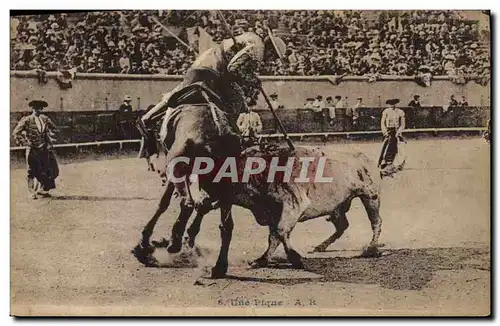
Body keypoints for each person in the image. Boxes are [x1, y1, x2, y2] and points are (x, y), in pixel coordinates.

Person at [137, 32, 273, 160]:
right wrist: (251, 79)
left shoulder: (250, 38)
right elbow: (234, 68)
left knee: (178, 92)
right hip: (215, 71)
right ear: (270, 50)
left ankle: (149, 118)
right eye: (273, 56)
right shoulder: (257, 47)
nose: (271, 60)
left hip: (200, 66)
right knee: (239, 101)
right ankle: (236, 139)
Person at [12, 100, 59, 199]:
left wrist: (49, 136)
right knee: (31, 171)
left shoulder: (45, 119)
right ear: (32, 108)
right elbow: (16, 132)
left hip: (43, 148)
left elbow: (54, 129)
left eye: (40, 108)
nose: (38, 110)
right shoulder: (27, 120)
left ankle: (41, 190)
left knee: (44, 169)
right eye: (36, 108)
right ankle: (31, 191)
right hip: (32, 149)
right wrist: (25, 142)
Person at [378, 98, 406, 173]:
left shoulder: (400, 112)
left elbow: (402, 124)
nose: (392, 105)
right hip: (388, 131)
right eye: (390, 104)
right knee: (386, 146)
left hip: (396, 131)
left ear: (396, 104)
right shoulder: (386, 111)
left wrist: (399, 132)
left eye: (394, 104)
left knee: (399, 147)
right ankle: (383, 162)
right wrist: (385, 132)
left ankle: (399, 163)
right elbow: (382, 123)